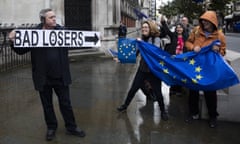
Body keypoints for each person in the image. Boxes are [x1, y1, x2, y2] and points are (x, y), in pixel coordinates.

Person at [8, 8, 86, 141]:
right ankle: (51, 128)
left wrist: (95, 39)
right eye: (51, 17)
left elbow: (80, 41)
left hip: (60, 76)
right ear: (43, 20)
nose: (54, 19)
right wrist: (12, 40)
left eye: (55, 17)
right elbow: (20, 50)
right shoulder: (33, 34)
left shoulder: (63, 32)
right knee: (47, 105)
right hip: (43, 77)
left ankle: (71, 127)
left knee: (66, 103)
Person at [117, 20, 168, 121]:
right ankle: (125, 106)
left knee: (158, 92)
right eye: (143, 27)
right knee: (133, 88)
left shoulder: (156, 39)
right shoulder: (143, 39)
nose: (144, 29)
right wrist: (121, 58)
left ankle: (163, 111)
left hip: (154, 71)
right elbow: (134, 53)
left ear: (151, 28)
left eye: (146, 27)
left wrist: (142, 43)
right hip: (143, 69)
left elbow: (155, 51)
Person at [184, 11, 226, 128]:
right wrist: (193, 47)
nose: (203, 22)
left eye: (206, 21)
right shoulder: (196, 31)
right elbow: (188, 42)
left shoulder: (220, 35)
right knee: (193, 90)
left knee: (210, 91)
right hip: (196, 66)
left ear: (212, 22)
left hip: (209, 68)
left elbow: (223, 51)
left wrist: (218, 50)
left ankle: (213, 116)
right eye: (202, 20)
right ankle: (193, 113)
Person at [160, 17, 189, 97]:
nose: (179, 29)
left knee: (180, 75)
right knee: (173, 74)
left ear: (183, 29)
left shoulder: (186, 37)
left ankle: (179, 90)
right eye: (177, 28)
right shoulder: (173, 36)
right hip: (174, 59)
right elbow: (167, 31)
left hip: (182, 60)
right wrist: (163, 23)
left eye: (180, 28)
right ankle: (172, 89)